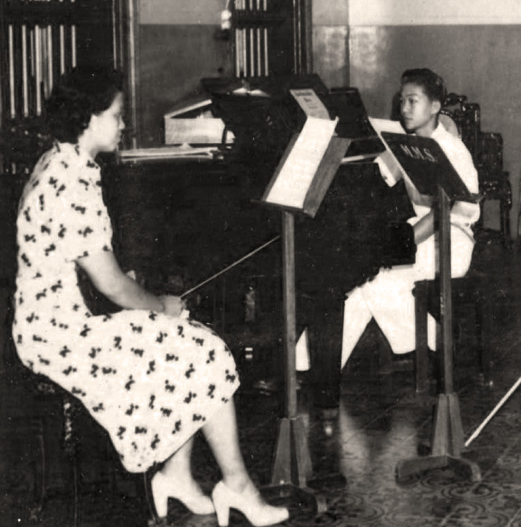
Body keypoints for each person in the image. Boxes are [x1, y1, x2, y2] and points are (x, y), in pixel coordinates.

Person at [12, 67, 287, 526]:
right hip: (59, 338)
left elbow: (82, 266)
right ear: (88, 117)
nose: (124, 124)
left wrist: (147, 299)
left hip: (46, 325)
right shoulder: (72, 183)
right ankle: (236, 485)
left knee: (185, 344)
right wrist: (162, 305)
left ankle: (177, 475)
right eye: (117, 115)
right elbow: (112, 286)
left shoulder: (59, 161)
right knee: (207, 351)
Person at [341, 68, 479, 367]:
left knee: (376, 278)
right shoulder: (405, 142)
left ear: (435, 106)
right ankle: (309, 366)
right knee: (359, 283)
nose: (404, 108)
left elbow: (446, 211)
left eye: (413, 101)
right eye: (402, 101)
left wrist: (402, 243)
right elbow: (373, 177)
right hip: (420, 233)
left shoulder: (452, 149)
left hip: (453, 240)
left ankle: (437, 343)